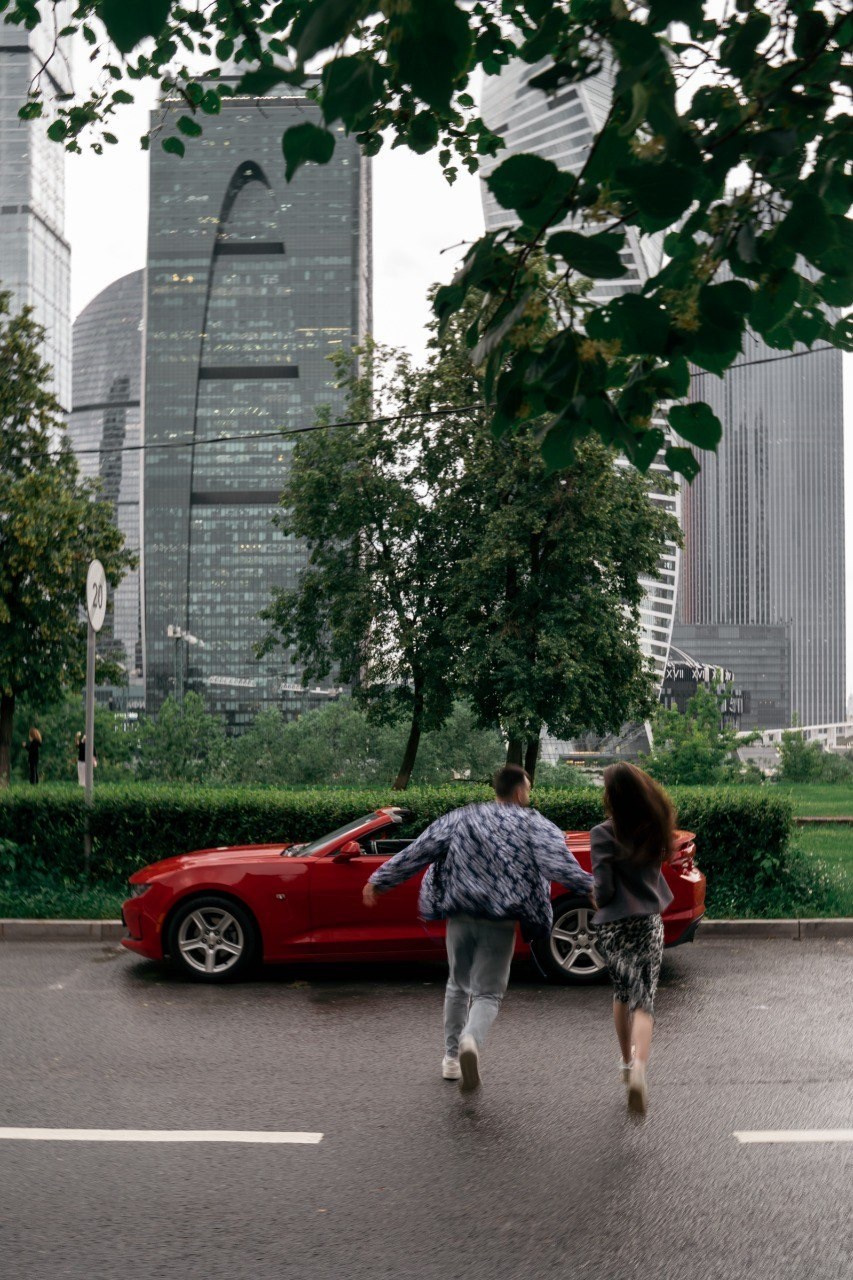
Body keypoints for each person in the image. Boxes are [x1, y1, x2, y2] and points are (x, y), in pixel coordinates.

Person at [363, 764, 594, 1093]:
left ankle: (451, 1057)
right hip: (499, 921)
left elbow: (419, 850)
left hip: (460, 915)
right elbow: (558, 865)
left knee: (457, 984)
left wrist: (380, 880)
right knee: (488, 993)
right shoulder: (533, 824)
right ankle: (471, 1040)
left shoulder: (462, 817)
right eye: (527, 790)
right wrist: (590, 887)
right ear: (519, 792)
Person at [590, 763, 675, 1117]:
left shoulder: (602, 834)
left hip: (614, 927)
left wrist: (595, 896)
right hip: (648, 923)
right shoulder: (655, 826)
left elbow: (606, 891)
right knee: (645, 1000)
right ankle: (641, 1068)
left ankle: (626, 1064)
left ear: (612, 796)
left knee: (622, 993)